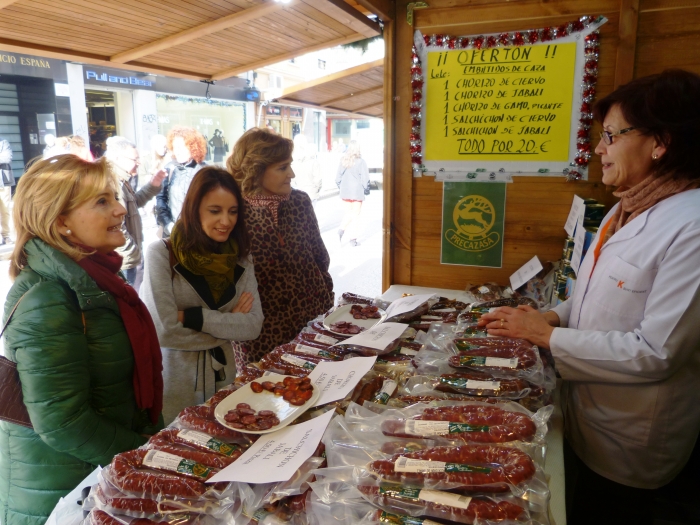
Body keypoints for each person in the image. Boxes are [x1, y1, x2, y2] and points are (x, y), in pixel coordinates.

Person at [478, 69, 700, 525]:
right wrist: (551, 317)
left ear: (660, 142)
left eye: (612, 135)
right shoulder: (628, 205)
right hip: (585, 412)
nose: (599, 149)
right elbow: (589, 293)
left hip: (631, 437)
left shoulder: (691, 224)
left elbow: (658, 352)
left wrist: (544, 337)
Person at [0, 155, 164, 525]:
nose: (121, 209)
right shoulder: (47, 297)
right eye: (102, 202)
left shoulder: (95, 279)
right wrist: (150, 454)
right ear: (60, 221)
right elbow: (63, 422)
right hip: (65, 494)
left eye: (115, 198)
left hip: (99, 477)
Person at [141, 167, 263, 423]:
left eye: (232, 211)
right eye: (215, 210)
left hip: (225, 380)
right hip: (176, 383)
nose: (226, 221)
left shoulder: (241, 257)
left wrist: (191, 317)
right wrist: (228, 322)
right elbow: (163, 330)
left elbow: (252, 326)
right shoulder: (161, 253)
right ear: (194, 209)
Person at [226, 128, 334, 368]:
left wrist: (326, 298)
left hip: (311, 322)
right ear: (257, 169)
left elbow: (320, 258)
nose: (292, 174)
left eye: (290, 165)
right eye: (282, 167)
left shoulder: (300, 202)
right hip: (260, 333)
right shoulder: (233, 211)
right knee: (263, 396)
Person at [104, 137, 166, 289]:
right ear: (117, 158)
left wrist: (152, 186)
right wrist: (132, 252)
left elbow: (134, 203)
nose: (138, 163)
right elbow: (115, 224)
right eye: (135, 159)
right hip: (125, 260)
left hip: (129, 257)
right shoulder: (112, 183)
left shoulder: (122, 179)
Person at [155, 126, 207, 237]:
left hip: (198, 234)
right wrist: (168, 225)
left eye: (181, 147)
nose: (177, 151)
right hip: (172, 233)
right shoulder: (169, 168)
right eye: (174, 147)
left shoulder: (204, 171)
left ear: (193, 147)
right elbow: (160, 199)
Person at [335, 140, 369, 247]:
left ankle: (341, 230)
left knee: (348, 213)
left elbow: (337, 178)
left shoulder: (343, 161)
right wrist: (366, 189)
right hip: (357, 192)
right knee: (355, 216)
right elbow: (365, 179)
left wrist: (342, 187)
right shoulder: (361, 162)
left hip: (345, 192)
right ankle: (352, 239)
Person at [291, 134, 322, 205]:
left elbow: (291, 180)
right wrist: (316, 190)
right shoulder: (313, 161)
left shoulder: (291, 160)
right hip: (310, 194)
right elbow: (318, 179)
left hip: (296, 194)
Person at [0, 137, 14, 245]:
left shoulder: (3, 142)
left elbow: (7, 158)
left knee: (5, 209)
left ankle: (6, 235)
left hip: (4, 181)